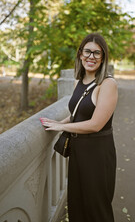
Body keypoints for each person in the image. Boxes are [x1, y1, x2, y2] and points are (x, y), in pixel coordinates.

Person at [40, 33, 118, 222]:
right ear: (80, 54)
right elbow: (77, 114)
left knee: (97, 208)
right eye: (87, 51)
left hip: (98, 154)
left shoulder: (107, 84)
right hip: (78, 152)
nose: (91, 57)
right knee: (77, 205)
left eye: (97, 53)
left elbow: (96, 124)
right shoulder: (79, 82)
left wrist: (60, 127)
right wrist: (59, 123)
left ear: (103, 58)